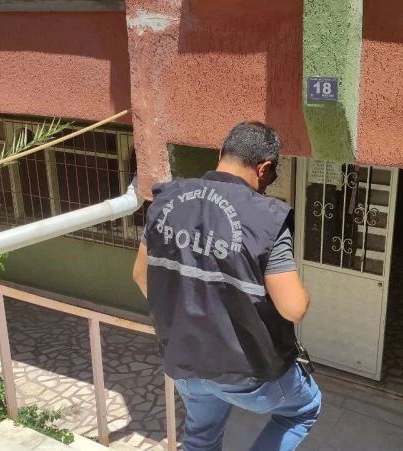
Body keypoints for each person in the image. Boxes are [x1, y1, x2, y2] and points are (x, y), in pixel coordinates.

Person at [132, 122, 321, 451]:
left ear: (221, 153)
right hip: (248, 372)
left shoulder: (165, 200)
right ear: (264, 169)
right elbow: (294, 307)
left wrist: (190, 315)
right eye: (271, 176)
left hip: (187, 364)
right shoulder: (266, 217)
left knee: (200, 440)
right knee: (304, 409)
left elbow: (140, 275)